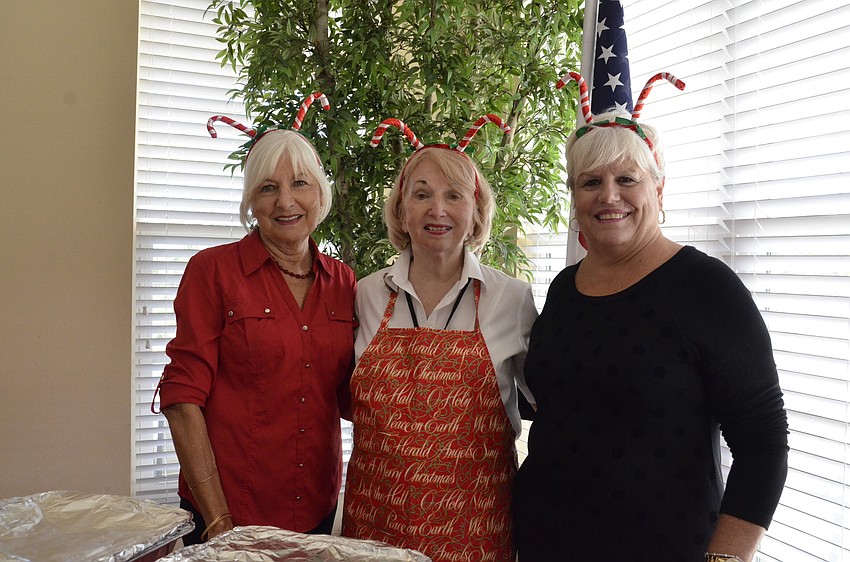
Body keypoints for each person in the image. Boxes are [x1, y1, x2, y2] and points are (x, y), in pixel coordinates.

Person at [513, 79, 789, 562]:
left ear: (658, 188)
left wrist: (726, 558)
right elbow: (564, 403)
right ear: (575, 198)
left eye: (627, 179)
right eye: (591, 182)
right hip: (544, 540)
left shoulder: (705, 288)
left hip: (665, 546)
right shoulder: (563, 287)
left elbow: (764, 444)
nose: (609, 196)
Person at [155, 98, 356, 544]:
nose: (285, 201)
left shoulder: (344, 281)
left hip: (315, 508)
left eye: (300, 184)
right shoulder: (212, 271)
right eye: (267, 188)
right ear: (251, 200)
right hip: (229, 510)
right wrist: (217, 521)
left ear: (319, 195)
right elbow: (182, 397)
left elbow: (349, 398)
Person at [341, 117, 538, 562]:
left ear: (475, 212)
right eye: (422, 194)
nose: (438, 210)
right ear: (401, 209)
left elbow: (554, 406)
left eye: (454, 195)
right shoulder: (364, 294)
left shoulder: (512, 299)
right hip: (374, 535)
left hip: (476, 534)